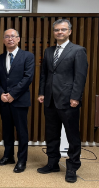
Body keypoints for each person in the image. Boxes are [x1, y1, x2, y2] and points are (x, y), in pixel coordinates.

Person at [37, 19, 88, 183]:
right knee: (51, 134)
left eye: (63, 30)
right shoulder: (48, 51)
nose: (60, 32)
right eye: (57, 30)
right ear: (53, 32)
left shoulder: (78, 50)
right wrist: (41, 92)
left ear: (70, 32)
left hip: (68, 100)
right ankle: (52, 163)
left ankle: (72, 167)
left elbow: (80, 77)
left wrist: (75, 97)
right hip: (50, 99)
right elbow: (44, 74)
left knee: (72, 135)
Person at [0, 29, 34, 173]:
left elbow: (28, 77)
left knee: (22, 131)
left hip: (20, 100)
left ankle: (22, 160)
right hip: (4, 100)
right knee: (7, 130)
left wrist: (12, 94)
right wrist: (1, 94)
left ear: (18, 39)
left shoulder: (28, 56)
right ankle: (8, 156)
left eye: (13, 36)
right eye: (7, 37)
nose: (10, 39)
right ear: (4, 40)